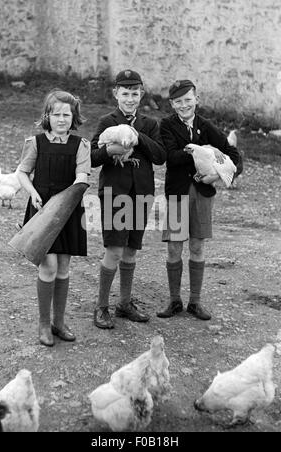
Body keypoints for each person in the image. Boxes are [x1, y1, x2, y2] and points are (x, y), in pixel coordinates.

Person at [157, 79, 239, 321]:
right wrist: (202, 151)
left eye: (188, 100)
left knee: (197, 246)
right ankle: (174, 301)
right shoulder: (167, 126)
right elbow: (170, 157)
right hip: (177, 192)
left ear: (196, 100)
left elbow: (234, 156)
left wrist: (216, 174)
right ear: (172, 104)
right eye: (179, 101)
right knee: (174, 246)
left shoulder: (207, 126)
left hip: (202, 194)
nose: (184, 105)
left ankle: (195, 301)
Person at [91, 69, 166, 329]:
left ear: (141, 94)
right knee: (114, 249)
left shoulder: (150, 124)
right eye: (125, 93)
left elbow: (159, 156)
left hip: (142, 193)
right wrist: (111, 147)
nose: (131, 98)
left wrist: (136, 135)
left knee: (132, 249)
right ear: (116, 94)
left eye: (135, 93)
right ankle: (101, 306)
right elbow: (91, 157)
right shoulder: (106, 122)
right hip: (115, 193)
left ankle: (124, 302)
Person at [17, 89, 91, 346]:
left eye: (66, 115)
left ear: (74, 117)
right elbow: (22, 173)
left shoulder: (81, 145)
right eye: (56, 114)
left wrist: (78, 185)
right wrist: (33, 193)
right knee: (47, 266)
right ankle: (43, 325)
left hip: (69, 209)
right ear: (47, 116)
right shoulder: (36, 142)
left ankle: (59, 322)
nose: (61, 119)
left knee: (63, 266)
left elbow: (83, 175)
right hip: (41, 209)